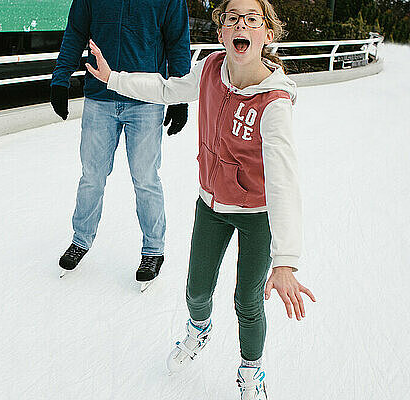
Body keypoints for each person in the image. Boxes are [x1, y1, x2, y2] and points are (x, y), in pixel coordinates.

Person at [85, 0, 316, 397]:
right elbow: (166, 88)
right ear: (223, 32)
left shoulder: (273, 104)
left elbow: (283, 181)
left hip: (256, 213)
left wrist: (287, 261)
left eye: (251, 19)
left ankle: (251, 370)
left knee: (248, 301)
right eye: (231, 19)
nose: (240, 24)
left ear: (267, 34)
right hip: (211, 204)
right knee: (195, 290)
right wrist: (114, 79)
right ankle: (198, 331)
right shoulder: (210, 68)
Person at [50, 0, 191, 286]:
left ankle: (153, 250)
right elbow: (75, 32)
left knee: (146, 179)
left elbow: (177, 42)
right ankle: (81, 239)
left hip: (146, 99)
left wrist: (178, 95)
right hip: (99, 99)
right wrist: (61, 78)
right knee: (92, 176)